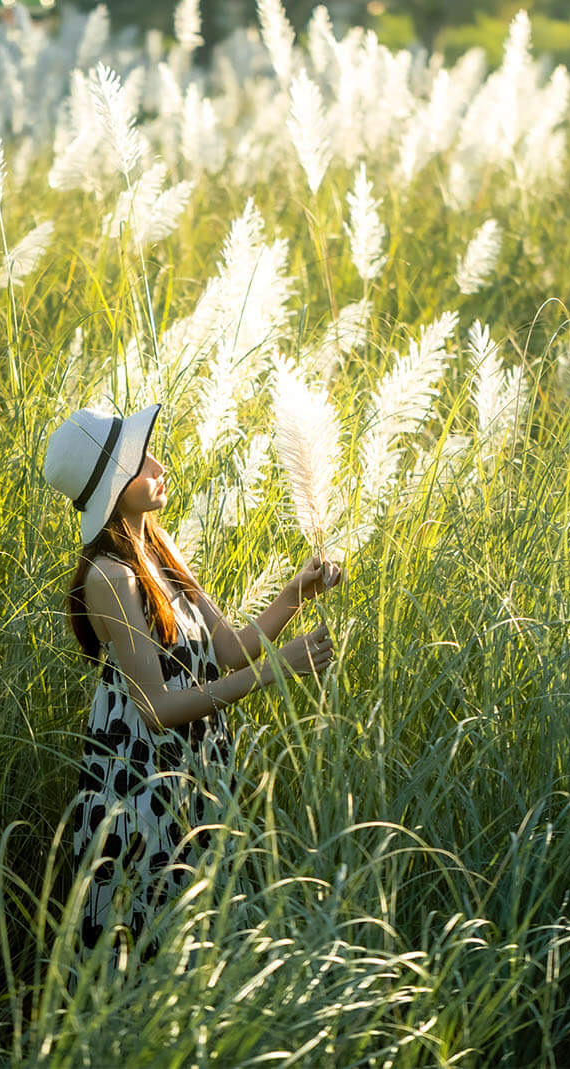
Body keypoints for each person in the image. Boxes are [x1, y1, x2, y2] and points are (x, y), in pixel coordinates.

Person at [42, 402, 343, 961]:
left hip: (191, 775)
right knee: (146, 958)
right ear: (111, 484)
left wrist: (295, 595)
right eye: (138, 460)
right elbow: (154, 707)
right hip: (141, 791)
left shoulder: (157, 545)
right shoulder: (111, 575)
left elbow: (228, 650)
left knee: (200, 944)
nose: (157, 464)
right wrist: (275, 670)